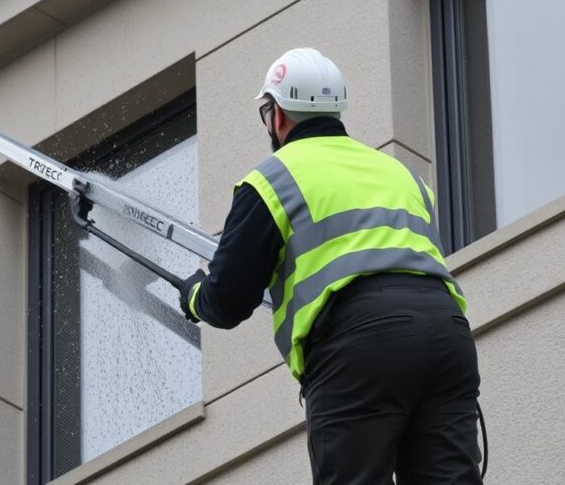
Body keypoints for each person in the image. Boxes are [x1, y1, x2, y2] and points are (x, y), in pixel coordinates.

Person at [177, 48, 482, 484]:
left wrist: (194, 296)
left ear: (276, 115)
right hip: (446, 336)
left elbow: (226, 301)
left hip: (360, 348)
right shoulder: (400, 173)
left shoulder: (271, 179)